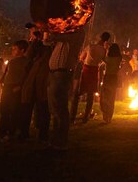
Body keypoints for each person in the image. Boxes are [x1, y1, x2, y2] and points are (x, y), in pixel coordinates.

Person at [44, 24, 86, 152]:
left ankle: (61, 142)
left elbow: (54, 36)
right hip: (54, 73)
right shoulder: (64, 37)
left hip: (62, 73)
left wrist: (49, 27)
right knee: (54, 108)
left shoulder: (76, 35)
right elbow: (47, 41)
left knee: (60, 108)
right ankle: (55, 140)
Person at [20, 22, 51, 143]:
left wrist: (37, 41)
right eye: (31, 30)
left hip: (42, 78)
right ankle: (24, 131)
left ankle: (43, 133)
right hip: (32, 78)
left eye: (34, 29)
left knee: (42, 106)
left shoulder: (46, 44)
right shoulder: (35, 43)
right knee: (28, 104)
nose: (31, 32)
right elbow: (28, 57)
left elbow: (29, 56)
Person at [0, 40, 29, 142]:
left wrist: (20, 86)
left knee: (13, 111)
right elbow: (6, 72)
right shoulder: (12, 61)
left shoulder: (26, 62)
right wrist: (1, 82)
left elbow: (26, 76)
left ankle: (10, 133)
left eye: (15, 49)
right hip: (7, 87)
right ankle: (1, 133)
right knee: (4, 110)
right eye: (12, 49)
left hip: (15, 88)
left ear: (22, 50)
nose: (13, 51)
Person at [71, 32, 110, 124]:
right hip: (94, 71)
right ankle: (86, 117)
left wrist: (82, 57)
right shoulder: (104, 50)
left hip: (86, 70)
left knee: (77, 94)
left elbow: (81, 58)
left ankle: (72, 117)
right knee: (90, 94)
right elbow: (103, 61)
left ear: (99, 37)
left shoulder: (90, 47)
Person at [100, 43, 122, 124]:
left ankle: (105, 116)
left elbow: (102, 57)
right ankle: (109, 116)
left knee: (105, 97)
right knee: (112, 98)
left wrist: (105, 48)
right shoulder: (119, 58)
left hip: (108, 77)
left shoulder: (108, 59)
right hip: (114, 78)